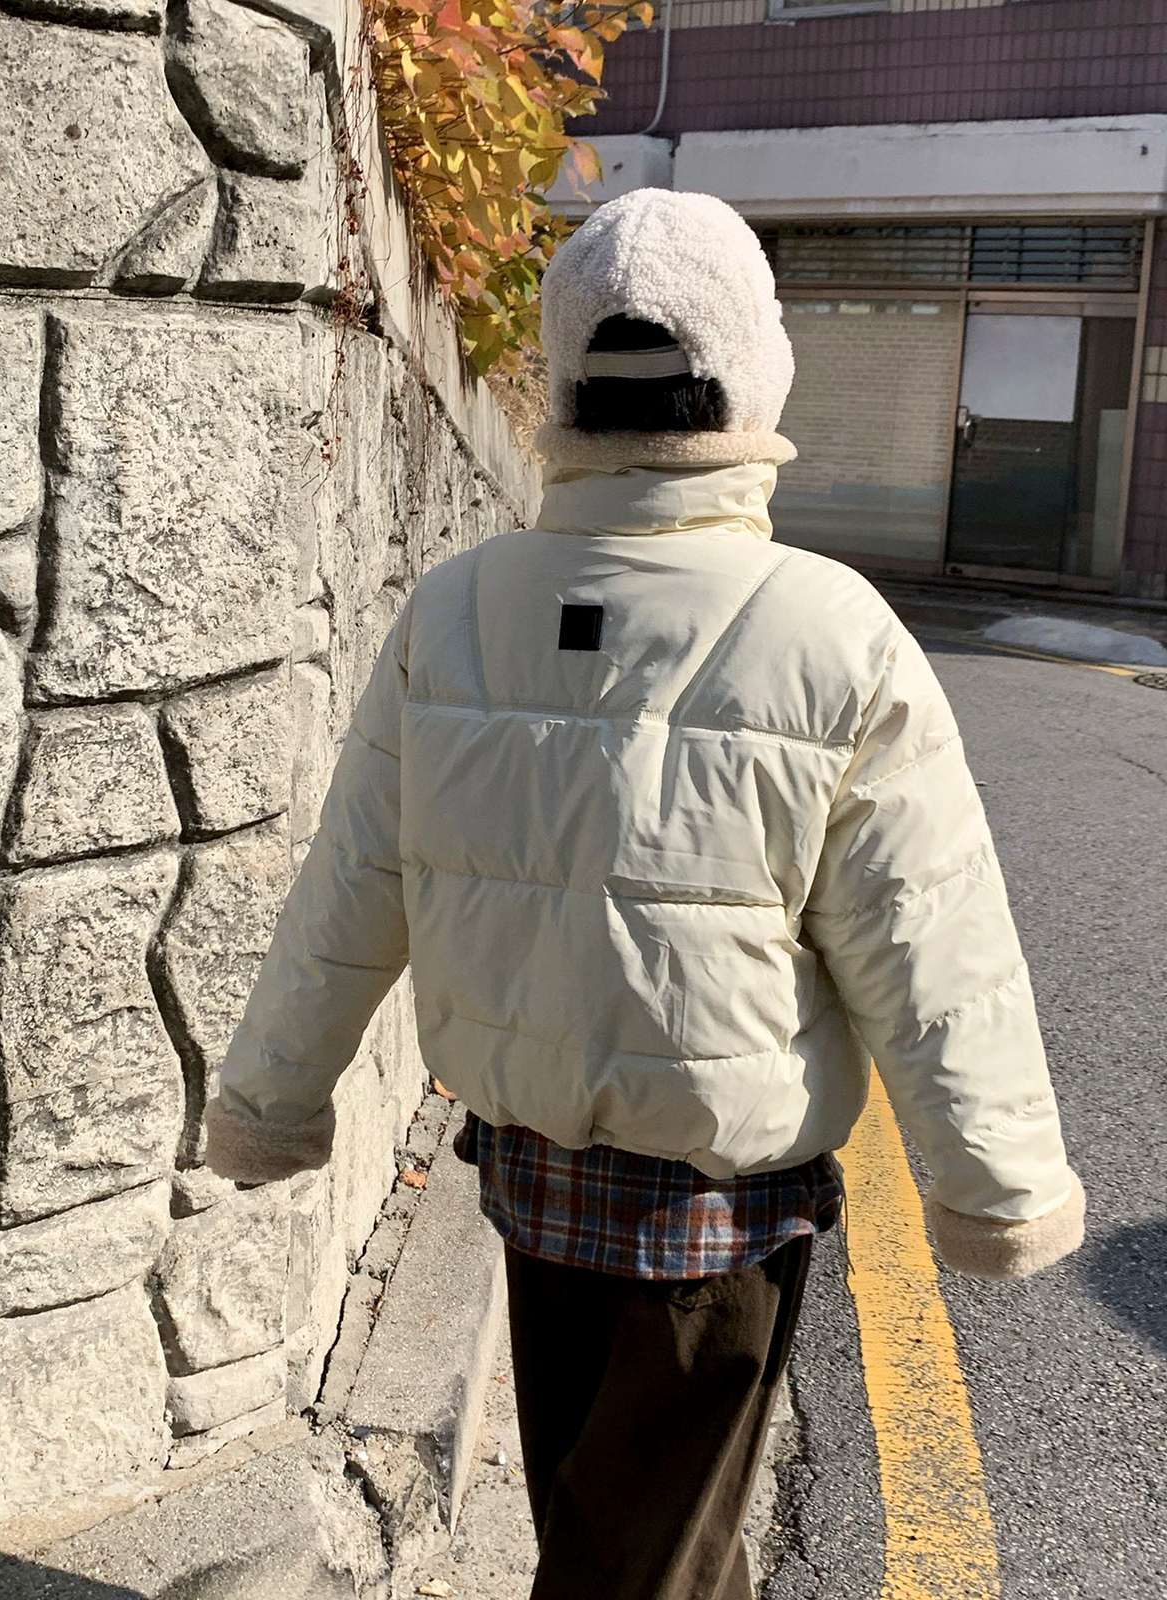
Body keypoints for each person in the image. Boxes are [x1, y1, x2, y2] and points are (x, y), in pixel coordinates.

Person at [204, 188, 1085, 1600]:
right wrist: (996, 1188)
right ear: (754, 371)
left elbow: (350, 881)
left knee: (607, 1530)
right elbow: (930, 939)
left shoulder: (458, 607)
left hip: (529, 1177)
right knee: (649, 1561)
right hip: (719, 1217)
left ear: (563, 375)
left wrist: (272, 1099)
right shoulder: (832, 631)